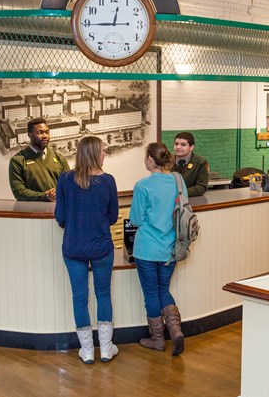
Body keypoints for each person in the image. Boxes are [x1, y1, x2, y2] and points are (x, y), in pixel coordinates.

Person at [54, 136, 119, 364]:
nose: (104, 154)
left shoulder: (65, 180)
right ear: (94, 154)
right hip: (101, 247)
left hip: (73, 247)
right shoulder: (108, 181)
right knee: (103, 294)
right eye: (103, 151)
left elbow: (59, 217)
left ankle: (88, 350)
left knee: (79, 298)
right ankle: (106, 348)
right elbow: (112, 217)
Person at [129, 142, 185, 356]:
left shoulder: (143, 186)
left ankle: (158, 339)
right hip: (170, 248)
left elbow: (135, 219)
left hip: (146, 248)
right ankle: (176, 330)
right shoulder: (177, 180)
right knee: (163, 290)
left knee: (151, 293)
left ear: (151, 160)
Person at [9, 118, 70, 201]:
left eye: (47, 132)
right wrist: (45, 196)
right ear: (29, 135)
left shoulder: (60, 158)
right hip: (31, 212)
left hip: (57, 211)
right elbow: (19, 192)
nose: (45, 136)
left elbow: (69, 185)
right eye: (40, 132)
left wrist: (57, 192)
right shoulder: (17, 160)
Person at [172, 132, 209, 197]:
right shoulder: (167, 161)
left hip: (191, 202)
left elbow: (201, 187)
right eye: (176, 144)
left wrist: (181, 193)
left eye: (183, 145)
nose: (178, 147)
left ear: (191, 147)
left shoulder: (200, 163)